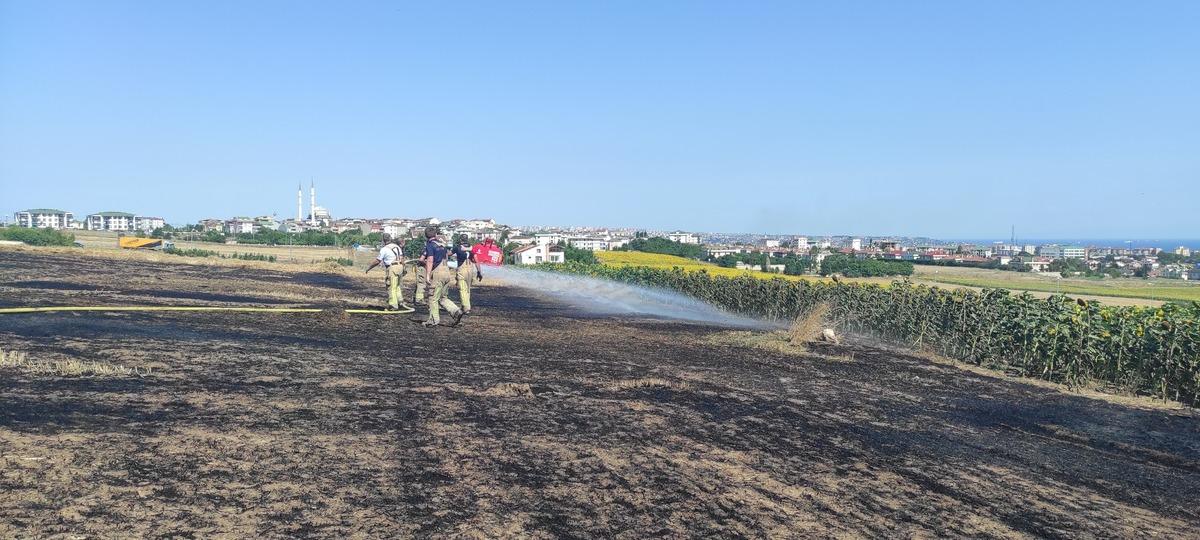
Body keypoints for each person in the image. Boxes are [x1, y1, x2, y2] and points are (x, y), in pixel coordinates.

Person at [420, 227, 464, 327]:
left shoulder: (430, 245)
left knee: (433, 298)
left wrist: (427, 275)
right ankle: (456, 311)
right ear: (435, 235)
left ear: (426, 236)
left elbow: (430, 260)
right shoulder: (442, 245)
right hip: (446, 271)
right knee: (443, 297)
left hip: (438, 273)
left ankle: (433, 320)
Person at [364, 234, 411, 312]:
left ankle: (393, 305)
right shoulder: (397, 247)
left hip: (392, 268)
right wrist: (404, 269)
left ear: (383, 240)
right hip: (400, 267)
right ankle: (400, 302)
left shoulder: (384, 249)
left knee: (391, 286)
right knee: (397, 285)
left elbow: (377, 261)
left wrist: (369, 268)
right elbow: (402, 258)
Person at [453, 241, 483, 314]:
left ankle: (466, 307)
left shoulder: (458, 248)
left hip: (462, 269)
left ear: (461, 240)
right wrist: (479, 272)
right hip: (470, 269)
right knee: (468, 289)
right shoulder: (472, 249)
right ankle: (466, 306)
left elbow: (449, 253)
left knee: (463, 289)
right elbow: (476, 261)